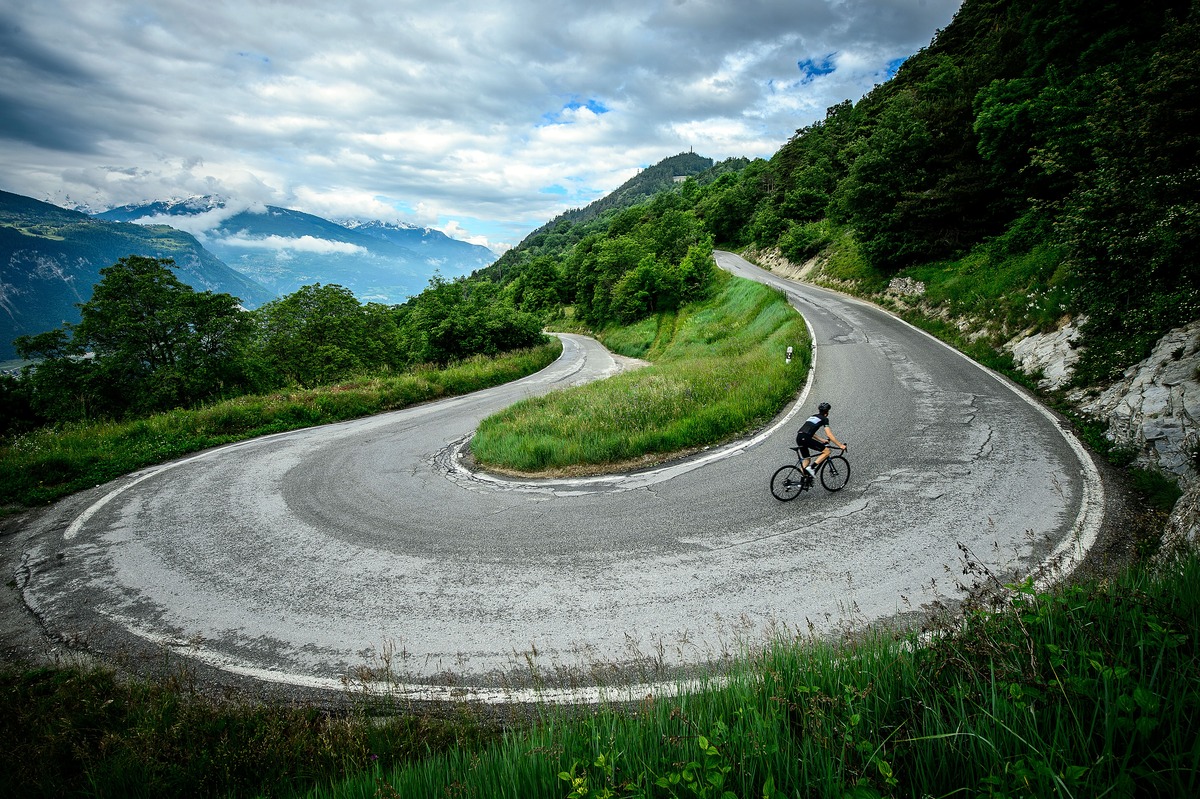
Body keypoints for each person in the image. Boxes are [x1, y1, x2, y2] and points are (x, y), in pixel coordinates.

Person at [795, 401, 845, 477]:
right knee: (827, 451)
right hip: (805, 438)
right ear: (827, 412)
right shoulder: (824, 419)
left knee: (807, 460)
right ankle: (811, 468)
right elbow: (829, 434)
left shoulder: (813, 416)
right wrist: (840, 445)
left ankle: (802, 482)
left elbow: (809, 431)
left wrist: (822, 440)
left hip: (799, 437)